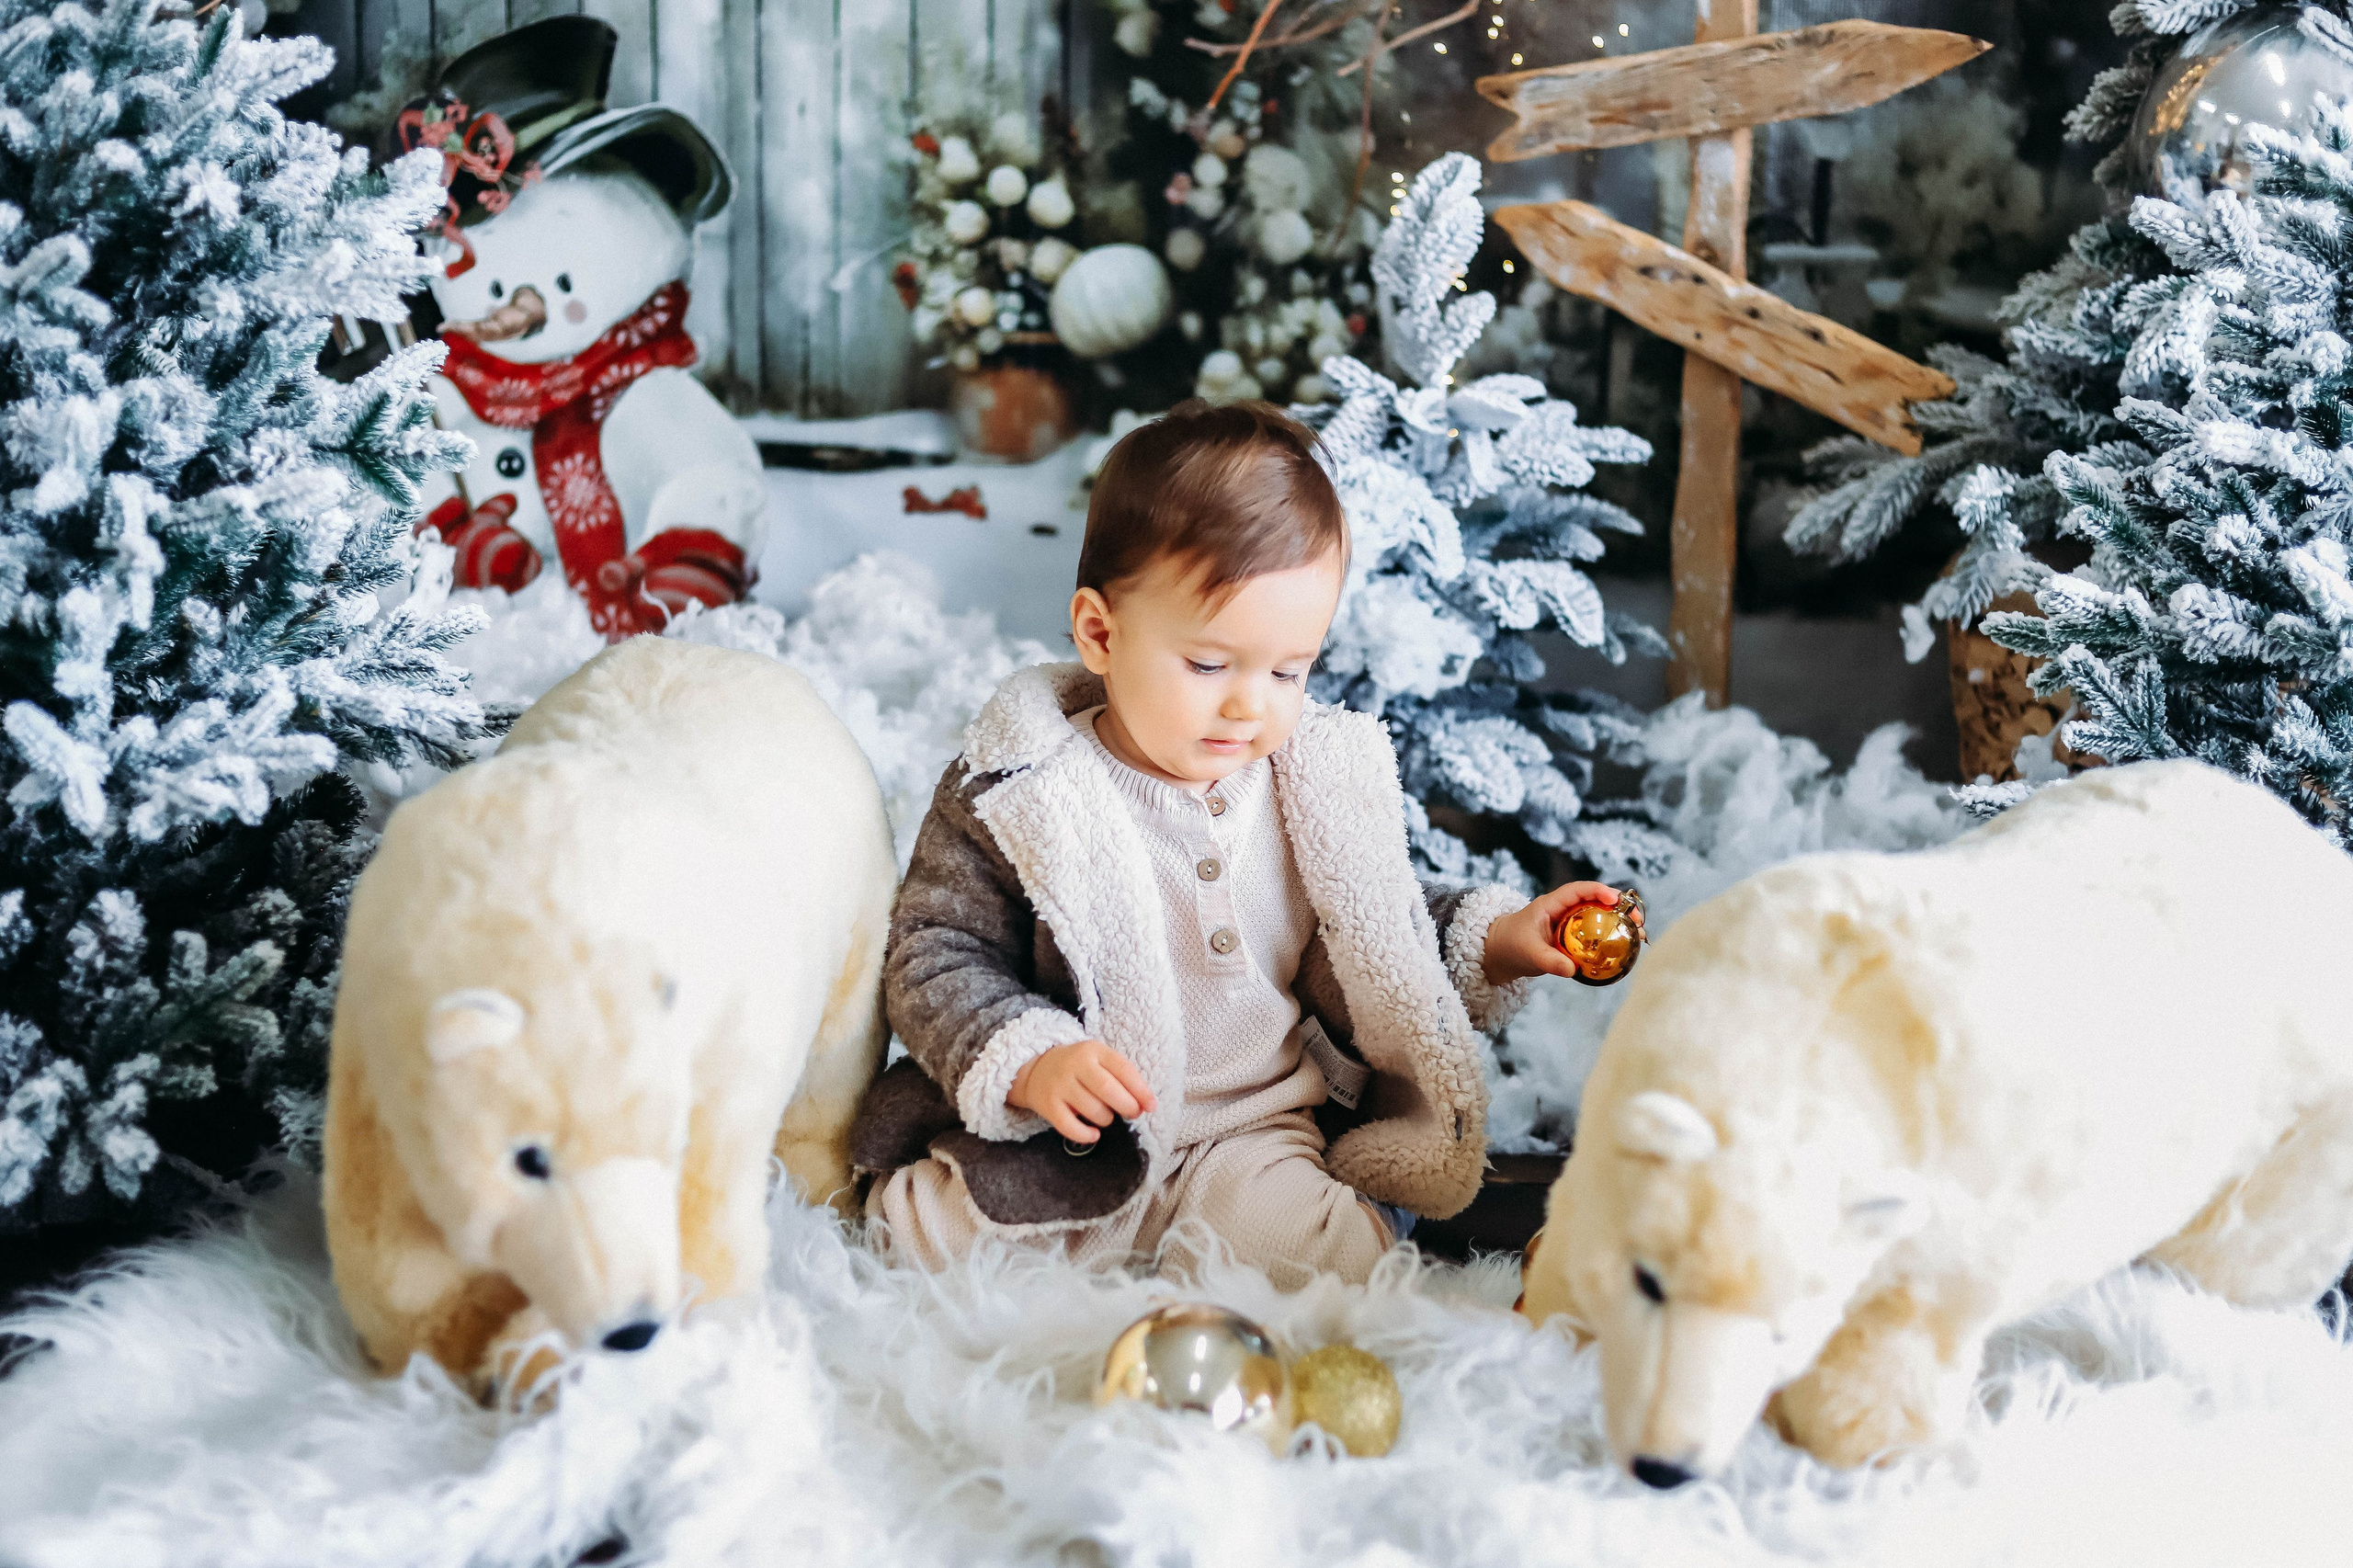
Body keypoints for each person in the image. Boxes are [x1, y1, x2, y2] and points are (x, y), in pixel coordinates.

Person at [848, 401, 1634, 1286]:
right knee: (926, 1241)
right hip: (1079, 1138)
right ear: (1101, 633)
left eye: (1289, 671)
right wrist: (1034, 1061)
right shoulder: (1021, 787)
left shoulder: (1311, 782)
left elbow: (1377, 923)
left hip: (1256, 1128)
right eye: (1211, 665)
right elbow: (934, 950)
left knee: (1313, 1260)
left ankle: (1338, 1221)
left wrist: (1498, 941)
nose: (1249, 705)